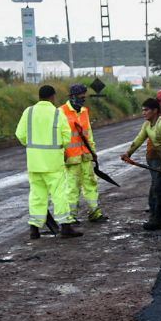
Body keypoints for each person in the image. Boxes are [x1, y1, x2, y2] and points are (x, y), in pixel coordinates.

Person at [14, 85, 82, 240]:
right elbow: (66, 137)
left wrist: (32, 145)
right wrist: (59, 148)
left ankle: (34, 229)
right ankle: (65, 226)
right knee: (59, 194)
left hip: (34, 162)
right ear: (52, 97)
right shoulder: (58, 113)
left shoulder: (28, 112)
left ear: (39, 96)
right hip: (53, 163)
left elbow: (20, 134)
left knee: (37, 195)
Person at [121, 98, 161, 231]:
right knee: (158, 189)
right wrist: (128, 154)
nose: (143, 113)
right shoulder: (147, 125)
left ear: (155, 111)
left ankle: (160, 220)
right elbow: (138, 139)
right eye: (143, 110)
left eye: (146, 110)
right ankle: (159, 219)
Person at [60, 84, 107, 224]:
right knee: (72, 188)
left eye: (84, 97)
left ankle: (95, 212)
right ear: (72, 97)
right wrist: (61, 155)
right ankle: (71, 216)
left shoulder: (85, 111)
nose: (83, 100)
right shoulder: (61, 112)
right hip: (71, 158)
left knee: (91, 184)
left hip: (86, 156)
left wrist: (93, 152)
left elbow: (89, 134)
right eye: (81, 97)